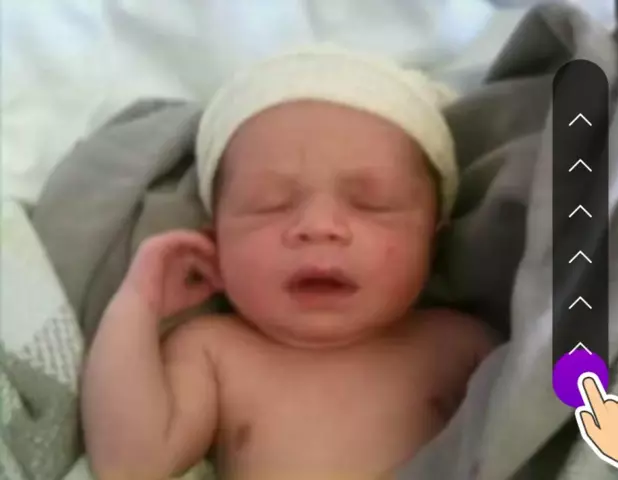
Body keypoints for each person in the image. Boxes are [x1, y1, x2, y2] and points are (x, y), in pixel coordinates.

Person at [81, 45, 498, 480]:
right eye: (271, 203)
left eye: (371, 203)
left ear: (433, 242)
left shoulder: (458, 345)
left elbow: (536, 425)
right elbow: (130, 466)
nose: (318, 226)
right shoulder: (214, 351)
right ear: (215, 248)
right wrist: (138, 301)